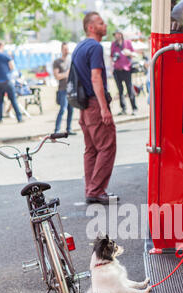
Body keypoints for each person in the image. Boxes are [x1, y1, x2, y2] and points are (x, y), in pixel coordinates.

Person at [72, 12, 118, 205]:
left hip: (83, 106)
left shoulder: (79, 47)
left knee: (91, 150)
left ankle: (91, 189)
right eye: (100, 23)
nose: (105, 25)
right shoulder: (95, 47)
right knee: (107, 146)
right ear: (91, 27)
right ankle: (96, 190)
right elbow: (95, 77)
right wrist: (104, 108)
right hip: (93, 104)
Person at [0, 40, 22, 124]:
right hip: (7, 80)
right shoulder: (5, 55)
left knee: (0, 101)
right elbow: (12, 66)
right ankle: (19, 117)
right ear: (0, 46)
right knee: (13, 99)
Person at [111, 31, 138, 116]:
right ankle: (123, 109)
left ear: (121, 35)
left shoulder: (127, 43)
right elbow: (111, 56)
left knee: (130, 89)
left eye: (118, 34)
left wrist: (128, 53)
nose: (117, 35)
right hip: (117, 70)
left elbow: (134, 54)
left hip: (126, 69)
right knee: (120, 90)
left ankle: (134, 108)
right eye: (116, 34)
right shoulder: (113, 44)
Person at [53, 42, 76, 135]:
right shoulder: (57, 62)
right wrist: (66, 74)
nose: (66, 51)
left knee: (71, 109)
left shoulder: (71, 61)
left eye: (67, 49)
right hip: (62, 89)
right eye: (65, 49)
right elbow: (57, 76)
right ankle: (57, 129)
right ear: (61, 50)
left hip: (71, 89)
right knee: (63, 109)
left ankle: (69, 128)